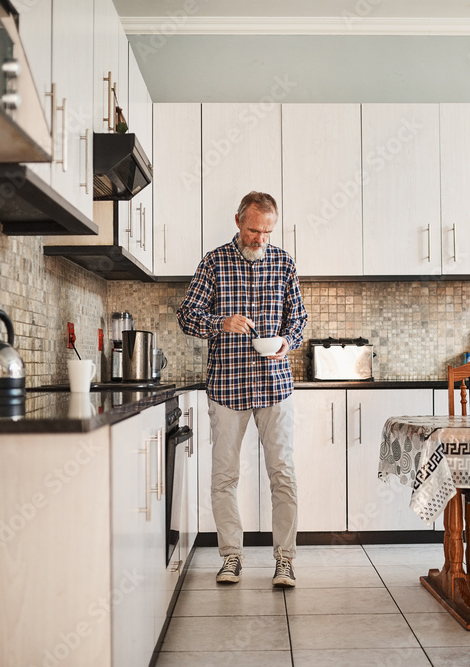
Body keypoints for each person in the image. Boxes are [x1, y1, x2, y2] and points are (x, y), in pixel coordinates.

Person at [177, 191, 308, 588]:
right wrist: (221, 323)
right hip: (228, 385)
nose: (260, 239)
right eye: (253, 230)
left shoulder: (284, 263)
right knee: (224, 478)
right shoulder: (214, 262)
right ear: (238, 222)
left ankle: (284, 561)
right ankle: (231, 557)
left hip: (274, 385)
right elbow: (187, 316)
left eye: (267, 232)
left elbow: (298, 321)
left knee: (282, 475)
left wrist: (288, 342)